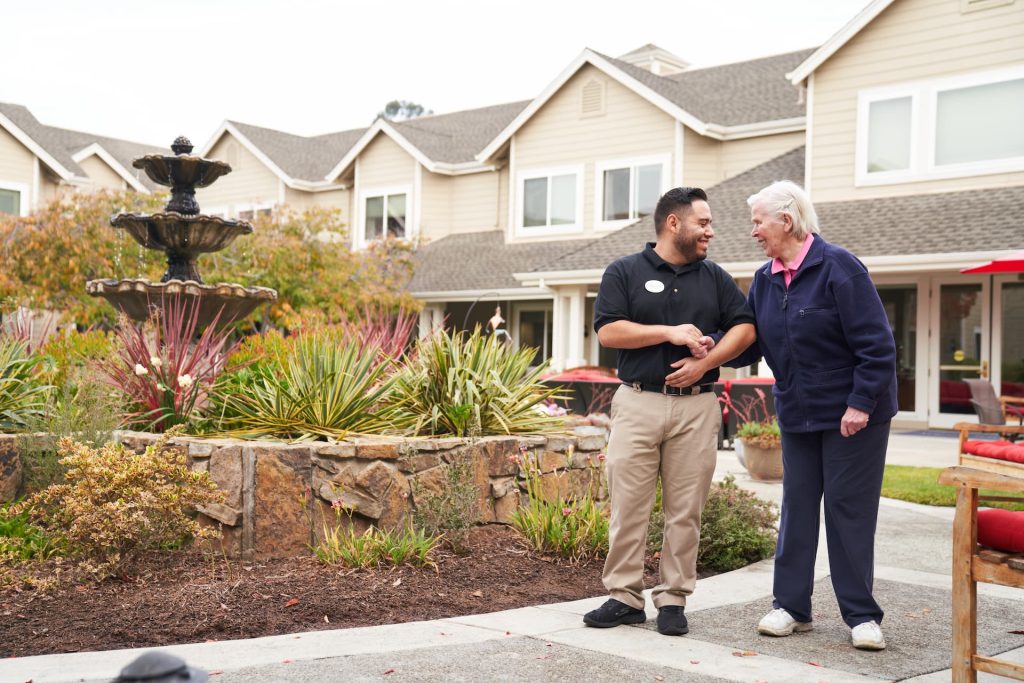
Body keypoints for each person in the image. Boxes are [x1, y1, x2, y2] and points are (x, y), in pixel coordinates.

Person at [728, 180, 897, 650]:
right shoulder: (764, 279)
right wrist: (711, 346)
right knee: (798, 507)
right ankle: (791, 607)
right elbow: (754, 343)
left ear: (786, 219)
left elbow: (878, 347)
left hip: (854, 415)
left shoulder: (838, 268)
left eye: (758, 220)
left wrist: (861, 404)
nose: (754, 230)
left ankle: (861, 616)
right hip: (799, 412)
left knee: (848, 510)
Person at [586, 186, 756, 636]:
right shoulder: (624, 271)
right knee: (628, 505)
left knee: (686, 509)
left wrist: (707, 359)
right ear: (673, 223)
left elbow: (745, 327)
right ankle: (623, 597)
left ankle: (673, 599)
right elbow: (609, 332)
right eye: (703, 223)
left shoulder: (715, 278)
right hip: (637, 402)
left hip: (697, 407)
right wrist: (671, 332)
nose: (711, 232)